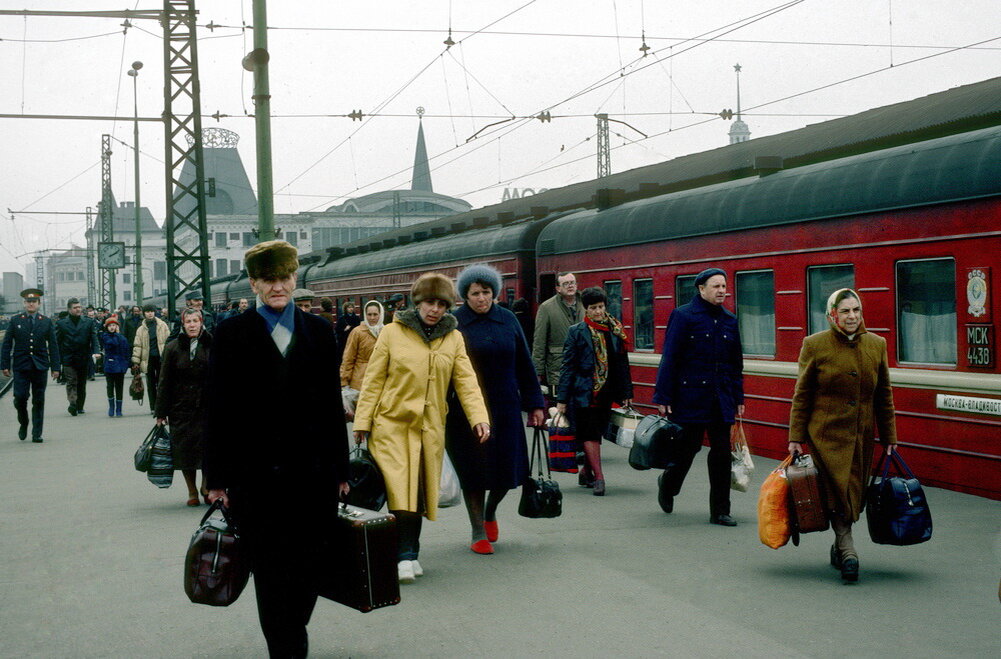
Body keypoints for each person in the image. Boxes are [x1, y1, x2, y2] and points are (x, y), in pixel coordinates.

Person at [204, 240, 349, 657]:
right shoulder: (231, 334)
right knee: (270, 572)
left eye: (284, 278)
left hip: (314, 475)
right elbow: (218, 409)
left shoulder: (320, 332)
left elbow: (329, 407)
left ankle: (291, 631)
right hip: (254, 479)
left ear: (294, 278)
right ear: (254, 283)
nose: (278, 287)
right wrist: (216, 479)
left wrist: (341, 471)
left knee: (308, 570)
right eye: (269, 279)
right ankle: (287, 649)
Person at [353, 272, 489, 583]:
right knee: (401, 492)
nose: (435, 309)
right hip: (391, 424)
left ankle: (410, 552)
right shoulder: (392, 333)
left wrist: (478, 417)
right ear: (418, 302)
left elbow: (466, 381)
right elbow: (373, 381)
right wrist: (362, 421)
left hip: (430, 430)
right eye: (430, 302)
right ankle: (402, 557)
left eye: (442, 303)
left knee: (419, 494)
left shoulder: (453, 338)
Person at [788, 288, 897, 582]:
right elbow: (803, 394)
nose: (852, 317)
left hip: (862, 435)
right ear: (832, 314)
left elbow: (884, 395)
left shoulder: (876, 344)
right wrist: (796, 436)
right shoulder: (815, 345)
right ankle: (848, 549)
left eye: (856, 310)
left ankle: (839, 546)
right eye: (845, 311)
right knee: (837, 490)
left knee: (854, 493)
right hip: (825, 434)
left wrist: (889, 438)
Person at [446, 264, 545, 553]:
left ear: (495, 293)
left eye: (486, 292)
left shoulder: (508, 320)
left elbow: (525, 364)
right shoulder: (454, 323)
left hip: (505, 406)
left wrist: (536, 404)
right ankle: (477, 530)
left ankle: (490, 512)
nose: (481, 298)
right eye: (475, 293)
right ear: (465, 295)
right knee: (473, 470)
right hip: (465, 410)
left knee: (507, 471)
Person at [653, 268, 744, 526]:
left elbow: (735, 363)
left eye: (723, 286)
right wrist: (663, 395)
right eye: (715, 286)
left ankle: (720, 511)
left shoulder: (729, 319)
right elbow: (670, 357)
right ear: (701, 289)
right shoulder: (683, 316)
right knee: (688, 448)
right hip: (690, 395)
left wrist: (738, 396)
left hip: (721, 397)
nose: (721, 290)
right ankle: (668, 484)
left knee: (721, 453)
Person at [555, 286, 633, 496]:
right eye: (593, 308)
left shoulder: (615, 330)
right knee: (590, 432)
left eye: (600, 307)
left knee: (597, 432)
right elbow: (568, 366)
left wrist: (626, 393)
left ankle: (586, 471)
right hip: (584, 393)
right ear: (586, 309)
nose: (598, 312)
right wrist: (562, 399)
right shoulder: (577, 332)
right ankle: (599, 477)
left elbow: (622, 364)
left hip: (607, 392)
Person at [156, 308, 212, 506]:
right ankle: (191, 491)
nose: (192, 325)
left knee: (208, 449)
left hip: (207, 406)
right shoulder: (172, 348)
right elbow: (164, 381)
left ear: (201, 322)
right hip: (181, 408)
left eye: (195, 321)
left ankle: (206, 485)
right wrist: (160, 412)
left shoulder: (212, 344)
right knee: (185, 451)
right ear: (183, 324)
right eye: (188, 321)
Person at [1, 289, 60, 442]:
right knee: (20, 398)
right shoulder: (16, 320)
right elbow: (6, 344)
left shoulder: (46, 321)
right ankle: (24, 422)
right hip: (21, 366)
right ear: (24, 303)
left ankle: (36, 433)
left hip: (40, 366)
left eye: (34, 302)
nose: (31, 304)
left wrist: (55, 368)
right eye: (28, 301)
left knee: (38, 400)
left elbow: (53, 346)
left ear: (39, 304)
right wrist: (4, 365)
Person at [532, 272, 584, 398]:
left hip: (584, 368)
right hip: (559, 370)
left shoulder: (586, 303)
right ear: (558, 289)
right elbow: (539, 342)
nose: (570, 286)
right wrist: (537, 372)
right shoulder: (546, 308)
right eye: (565, 284)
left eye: (572, 283)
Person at [55, 298, 101, 416]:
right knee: (71, 381)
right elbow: (57, 342)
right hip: (68, 358)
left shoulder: (88, 322)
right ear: (69, 309)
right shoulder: (61, 324)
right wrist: (57, 358)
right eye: (75, 308)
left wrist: (97, 351)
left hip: (83, 357)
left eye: (79, 307)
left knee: (81, 383)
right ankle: (73, 403)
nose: (78, 309)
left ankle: (80, 406)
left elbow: (94, 338)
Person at [339, 300, 384, 419]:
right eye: (369, 314)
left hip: (381, 381)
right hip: (360, 382)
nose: (372, 318)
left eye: (375, 314)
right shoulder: (357, 332)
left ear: (380, 314)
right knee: (362, 420)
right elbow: (348, 358)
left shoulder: (386, 332)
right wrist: (344, 382)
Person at [131, 304, 170, 412]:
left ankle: (162, 406)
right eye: (147, 312)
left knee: (162, 383)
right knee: (151, 384)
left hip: (161, 358)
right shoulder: (141, 329)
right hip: (147, 360)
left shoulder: (163, 326)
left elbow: (169, 341)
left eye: (152, 311)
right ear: (144, 314)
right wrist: (136, 361)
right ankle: (153, 407)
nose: (150, 313)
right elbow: (137, 345)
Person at [100, 316, 130, 417]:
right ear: (107, 327)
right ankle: (111, 407)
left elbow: (126, 351)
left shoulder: (122, 338)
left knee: (119, 387)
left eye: (114, 325)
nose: (112, 327)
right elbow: (112, 343)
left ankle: (119, 409)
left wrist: (126, 365)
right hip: (110, 366)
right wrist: (117, 334)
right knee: (110, 386)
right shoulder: (105, 336)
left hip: (120, 367)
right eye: (110, 326)